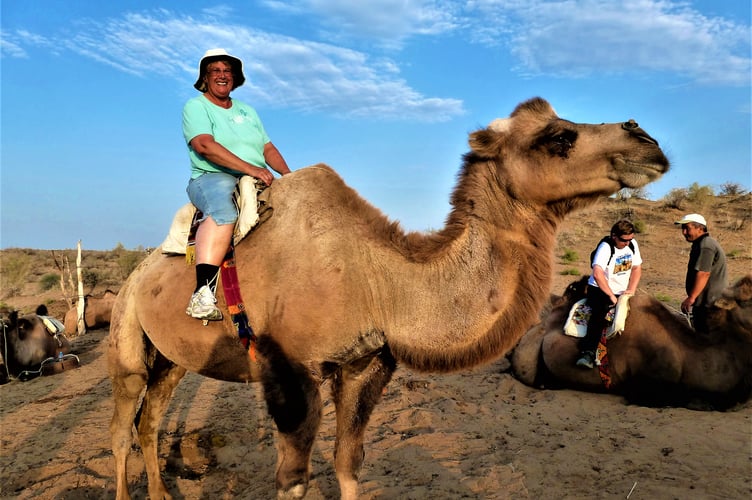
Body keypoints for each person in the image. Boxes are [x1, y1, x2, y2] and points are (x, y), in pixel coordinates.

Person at [183, 48, 291, 320]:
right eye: (216, 71)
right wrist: (250, 169)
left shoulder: (248, 111)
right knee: (224, 212)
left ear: (235, 77)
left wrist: (290, 177)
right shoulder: (196, 106)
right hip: (212, 177)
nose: (222, 75)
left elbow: (267, 148)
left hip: (255, 176)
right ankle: (202, 294)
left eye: (227, 71)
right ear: (205, 78)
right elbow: (204, 145)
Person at [576, 220, 642, 369]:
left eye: (630, 239)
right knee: (600, 315)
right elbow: (598, 274)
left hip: (622, 290)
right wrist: (611, 296)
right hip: (600, 289)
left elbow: (637, 268)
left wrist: (631, 289)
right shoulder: (605, 248)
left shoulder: (632, 245)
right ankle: (588, 352)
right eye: (624, 240)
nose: (627, 243)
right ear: (614, 236)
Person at [675, 213, 727, 333]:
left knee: (707, 343)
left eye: (687, 228)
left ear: (700, 228)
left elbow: (703, 273)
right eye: (682, 228)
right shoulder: (702, 244)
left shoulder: (706, 245)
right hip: (707, 303)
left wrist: (691, 298)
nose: (684, 232)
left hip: (710, 305)